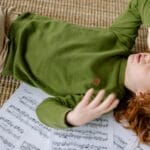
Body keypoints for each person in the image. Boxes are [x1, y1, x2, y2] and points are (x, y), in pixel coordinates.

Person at [0, 0, 150, 144]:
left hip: (7, 52)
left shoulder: (103, 96)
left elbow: (43, 110)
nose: (148, 58)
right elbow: (139, 3)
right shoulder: (120, 40)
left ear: (143, 98)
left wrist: (71, 117)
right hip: (15, 20)